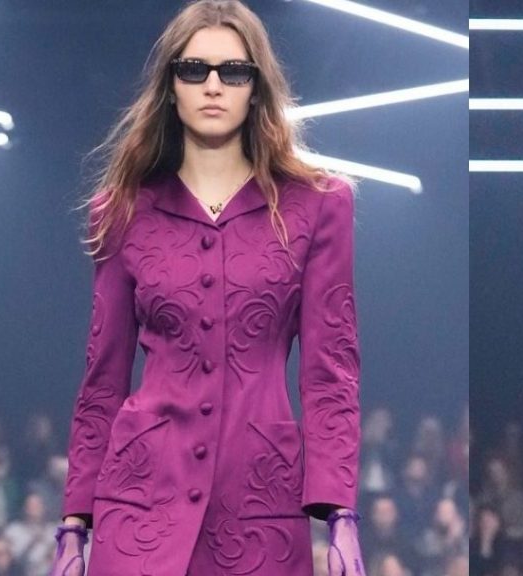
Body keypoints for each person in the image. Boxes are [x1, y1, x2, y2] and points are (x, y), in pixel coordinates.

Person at [48, 2, 363, 575]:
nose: (213, 86)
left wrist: (341, 511)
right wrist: (73, 524)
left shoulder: (318, 205)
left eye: (233, 72)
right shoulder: (121, 213)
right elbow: (102, 380)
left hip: (260, 508)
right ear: (170, 87)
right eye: (194, 70)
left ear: (256, 88)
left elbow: (330, 372)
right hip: (138, 506)